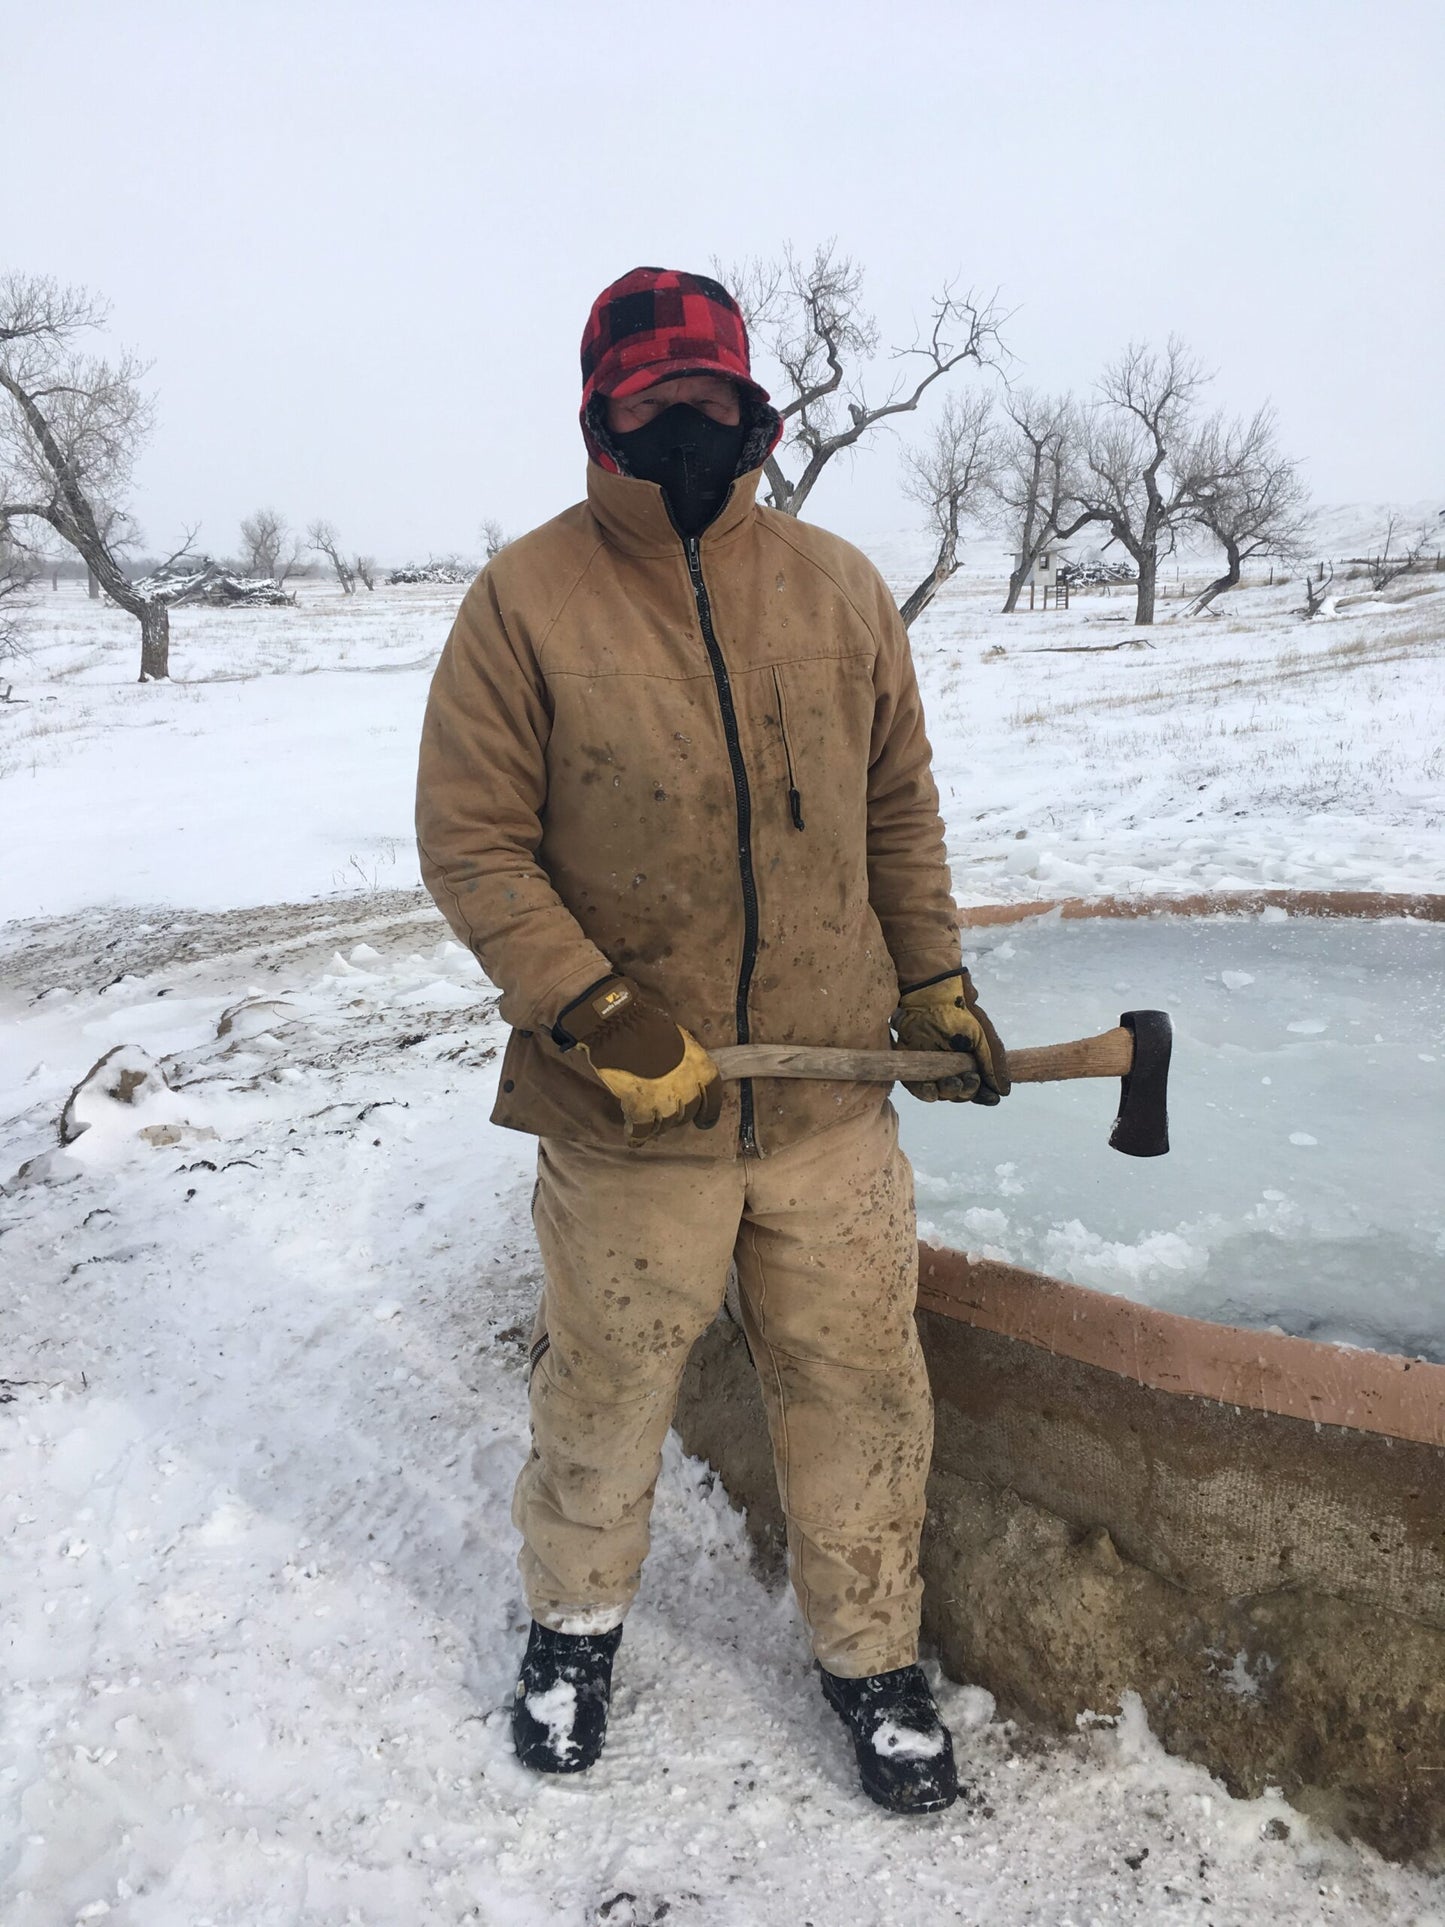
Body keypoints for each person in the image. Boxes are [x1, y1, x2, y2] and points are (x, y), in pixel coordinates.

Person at [415, 266, 1009, 1814]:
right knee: (604, 1393)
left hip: (822, 1108)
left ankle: (872, 1661)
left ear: (759, 413)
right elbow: (473, 843)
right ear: (598, 418)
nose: (688, 429)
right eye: (651, 405)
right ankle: (574, 1628)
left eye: (714, 403)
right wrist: (596, 1008)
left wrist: (932, 980)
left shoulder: (837, 586)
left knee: (861, 1391)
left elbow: (896, 808)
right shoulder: (522, 600)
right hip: (628, 1126)